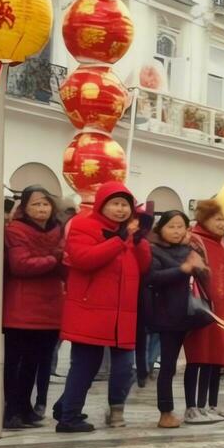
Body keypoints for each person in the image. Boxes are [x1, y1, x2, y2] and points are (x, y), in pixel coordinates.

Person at [52, 182, 152, 433]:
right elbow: (84, 259)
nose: (120, 210)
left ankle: (66, 407)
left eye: (125, 205)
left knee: (123, 366)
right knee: (85, 365)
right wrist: (118, 241)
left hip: (122, 313)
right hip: (90, 310)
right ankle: (69, 417)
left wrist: (139, 242)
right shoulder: (85, 225)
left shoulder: (127, 234)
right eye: (115, 204)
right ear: (101, 205)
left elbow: (143, 267)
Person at [2, 186, 65, 429]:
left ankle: (26, 408)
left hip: (50, 307)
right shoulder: (15, 231)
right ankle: (11, 410)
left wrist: (59, 260)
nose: (41, 209)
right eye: (36, 204)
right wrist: (55, 258)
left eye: (45, 204)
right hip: (21, 306)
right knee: (16, 362)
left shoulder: (58, 231)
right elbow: (21, 265)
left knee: (36, 362)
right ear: (25, 208)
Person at [143, 210, 209, 427]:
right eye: (171, 226)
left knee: (195, 362)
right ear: (161, 228)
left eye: (180, 226)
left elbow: (204, 276)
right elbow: (153, 278)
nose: (176, 231)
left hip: (191, 314)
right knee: (168, 366)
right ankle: (165, 411)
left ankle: (195, 406)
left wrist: (199, 267)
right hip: (168, 316)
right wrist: (182, 270)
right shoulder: (155, 251)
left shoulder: (188, 249)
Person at [183, 200, 224, 423]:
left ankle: (210, 404)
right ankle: (192, 406)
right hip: (203, 307)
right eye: (218, 219)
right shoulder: (194, 240)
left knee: (216, 358)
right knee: (199, 356)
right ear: (205, 219)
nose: (223, 224)